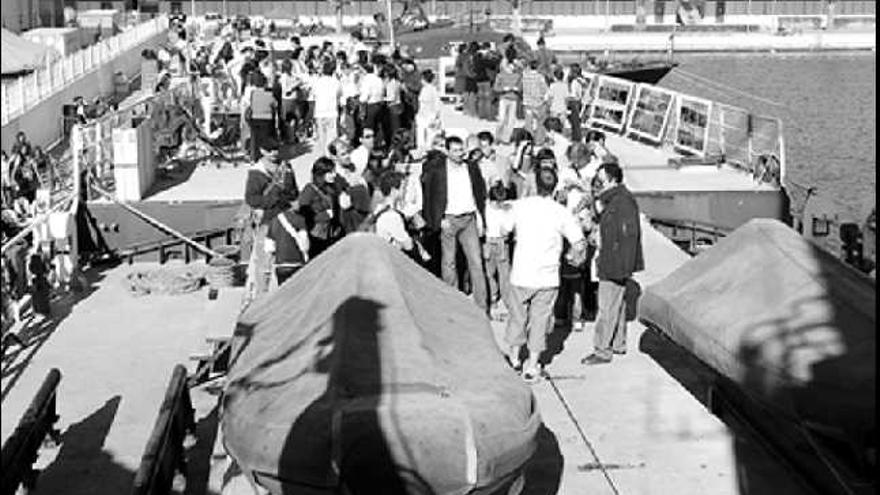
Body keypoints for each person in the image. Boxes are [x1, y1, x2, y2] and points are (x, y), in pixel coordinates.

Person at [501, 166, 586, 382]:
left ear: (534, 184)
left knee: (517, 317)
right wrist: (570, 256)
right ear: (555, 186)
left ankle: (513, 358)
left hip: (522, 272)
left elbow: (504, 229)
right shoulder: (561, 212)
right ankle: (532, 364)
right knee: (540, 320)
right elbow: (578, 242)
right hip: (547, 276)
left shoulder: (520, 207)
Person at [581, 161, 644, 365]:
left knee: (606, 306)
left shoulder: (620, 202)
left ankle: (602, 350)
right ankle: (618, 343)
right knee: (618, 303)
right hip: (617, 261)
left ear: (610, 179)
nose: (597, 184)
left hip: (613, 262)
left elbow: (626, 235)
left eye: (600, 179)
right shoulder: (618, 200)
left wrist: (619, 264)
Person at [421, 136, 488, 311]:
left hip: (469, 219)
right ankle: (453, 304)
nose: (460, 154)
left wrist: (480, 218)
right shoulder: (438, 170)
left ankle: (482, 306)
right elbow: (431, 196)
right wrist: (439, 219)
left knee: (476, 262)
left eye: (462, 150)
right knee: (449, 263)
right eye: (456, 150)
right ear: (448, 152)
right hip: (449, 219)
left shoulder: (471, 168)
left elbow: (479, 192)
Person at [299, 157, 345, 258]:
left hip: (332, 233)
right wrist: (324, 216)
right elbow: (304, 214)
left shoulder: (332, 187)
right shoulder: (309, 190)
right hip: (317, 236)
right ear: (321, 174)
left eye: (334, 171)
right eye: (330, 172)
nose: (334, 175)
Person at [483, 181, 512, 321]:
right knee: (489, 273)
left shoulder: (506, 208)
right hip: (489, 241)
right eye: (496, 202)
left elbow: (510, 225)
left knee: (504, 274)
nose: (499, 205)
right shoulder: (485, 207)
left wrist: (507, 231)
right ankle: (493, 296)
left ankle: (507, 301)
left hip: (501, 242)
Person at [266, 203, 310, 285]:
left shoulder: (273, 221)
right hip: (296, 263)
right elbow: (305, 246)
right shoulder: (299, 220)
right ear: (291, 202)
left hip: (280, 265)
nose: (299, 203)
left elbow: (269, 248)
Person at [372, 170, 414, 253]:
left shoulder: (380, 208)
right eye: (403, 188)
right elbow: (408, 245)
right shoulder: (391, 216)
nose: (406, 191)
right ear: (393, 191)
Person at [313, 60, 342, 156]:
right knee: (332, 136)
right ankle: (331, 155)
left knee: (322, 136)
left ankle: (324, 154)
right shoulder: (336, 82)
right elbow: (339, 95)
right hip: (332, 111)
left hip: (320, 111)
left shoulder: (318, 81)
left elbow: (314, 94)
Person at [493, 57, 521, 144]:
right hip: (504, 99)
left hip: (514, 99)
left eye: (514, 66)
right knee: (501, 119)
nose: (512, 67)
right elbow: (495, 88)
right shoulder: (500, 75)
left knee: (511, 120)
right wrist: (504, 89)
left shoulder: (517, 76)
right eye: (510, 66)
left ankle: (506, 139)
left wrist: (517, 89)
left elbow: (521, 87)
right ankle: (497, 137)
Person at [521, 59, 549, 146]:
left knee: (528, 123)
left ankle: (528, 140)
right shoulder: (540, 77)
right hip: (538, 103)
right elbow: (545, 90)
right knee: (540, 123)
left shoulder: (525, 76)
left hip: (527, 102)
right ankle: (539, 140)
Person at [358, 62, 385, 147]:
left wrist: (360, 102)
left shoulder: (366, 80)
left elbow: (364, 96)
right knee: (377, 127)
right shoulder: (378, 79)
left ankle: (369, 147)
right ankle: (378, 145)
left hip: (370, 106)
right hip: (379, 105)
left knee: (368, 129)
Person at [415, 70, 441, 150]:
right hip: (431, 114)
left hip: (424, 114)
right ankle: (429, 148)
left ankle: (422, 148)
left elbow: (422, 104)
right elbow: (437, 104)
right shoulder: (434, 89)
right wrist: (437, 115)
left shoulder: (425, 90)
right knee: (430, 134)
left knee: (421, 134)